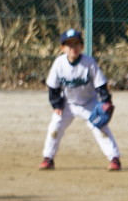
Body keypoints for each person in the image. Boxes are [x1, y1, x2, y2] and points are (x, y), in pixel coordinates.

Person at [38, 28, 121, 171]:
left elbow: (101, 85)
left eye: (76, 44)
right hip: (67, 105)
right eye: (69, 45)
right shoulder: (59, 63)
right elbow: (53, 87)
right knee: (54, 127)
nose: (73, 48)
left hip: (89, 103)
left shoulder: (89, 63)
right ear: (62, 48)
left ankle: (114, 158)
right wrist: (57, 105)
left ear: (82, 46)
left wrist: (105, 102)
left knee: (100, 127)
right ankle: (48, 158)